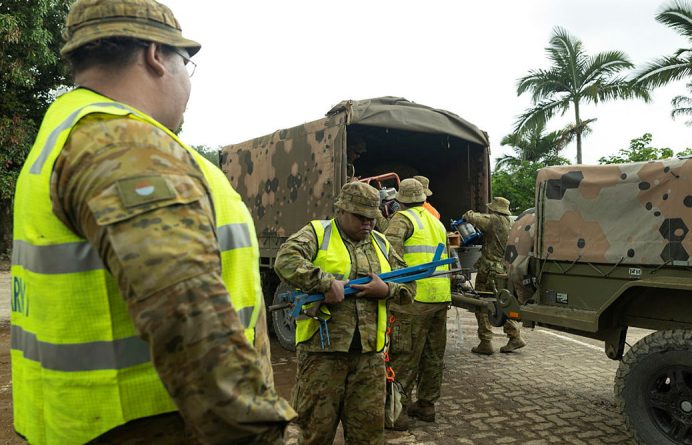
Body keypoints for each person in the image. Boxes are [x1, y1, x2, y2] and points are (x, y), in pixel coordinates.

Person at [10, 0, 296, 443]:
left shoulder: (66, 130)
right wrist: (260, 434)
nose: (187, 83)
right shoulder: (124, 145)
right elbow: (185, 314)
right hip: (156, 427)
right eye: (188, 65)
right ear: (155, 56)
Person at [274, 181, 414, 444]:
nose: (367, 224)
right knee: (313, 434)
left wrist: (385, 290)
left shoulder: (381, 243)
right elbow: (286, 260)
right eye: (360, 217)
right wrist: (324, 282)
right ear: (341, 210)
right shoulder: (318, 233)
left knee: (369, 436)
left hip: (370, 360)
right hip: (322, 356)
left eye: (372, 218)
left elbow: (409, 287)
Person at [383, 178, 451, 429]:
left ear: (400, 200)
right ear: (423, 197)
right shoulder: (436, 221)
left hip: (413, 299)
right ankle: (426, 405)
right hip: (440, 297)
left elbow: (389, 253)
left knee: (403, 355)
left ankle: (396, 413)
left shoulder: (402, 219)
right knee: (433, 355)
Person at [464, 197, 526, 355]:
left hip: (489, 270)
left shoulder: (493, 220)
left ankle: (485, 342)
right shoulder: (512, 222)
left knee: (481, 303)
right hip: (504, 269)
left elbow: (471, 217)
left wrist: (468, 214)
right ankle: (514, 337)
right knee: (503, 303)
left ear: (494, 209)